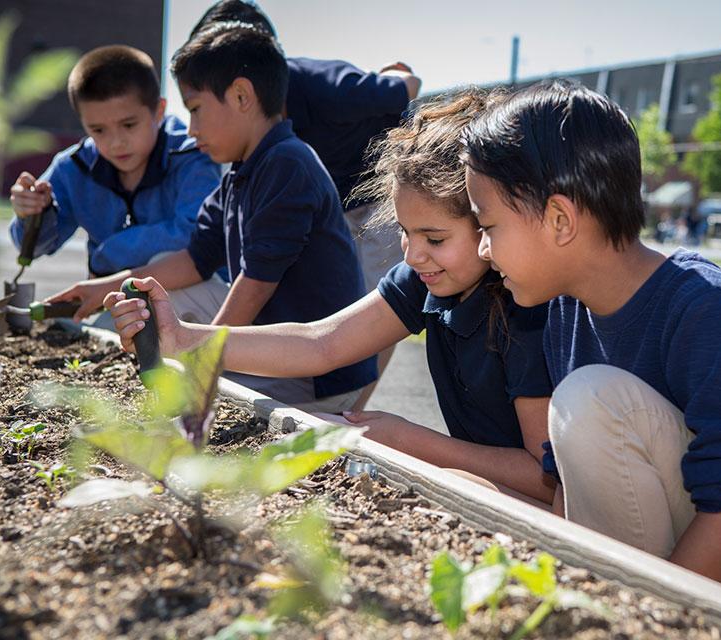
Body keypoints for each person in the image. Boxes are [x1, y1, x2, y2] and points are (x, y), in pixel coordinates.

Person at [460, 80, 721, 615]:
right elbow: (572, 484)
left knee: (589, 399)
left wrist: (647, 623)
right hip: (695, 533)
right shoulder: (564, 310)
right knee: (553, 433)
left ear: (560, 219)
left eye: (488, 226)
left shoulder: (705, 308)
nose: (483, 248)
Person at [105, 88, 557, 506]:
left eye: (435, 238)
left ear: (489, 219)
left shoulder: (526, 311)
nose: (413, 254)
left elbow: (543, 477)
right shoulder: (425, 278)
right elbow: (322, 343)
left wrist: (408, 440)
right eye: (404, 232)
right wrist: (181, 337)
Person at [59, 24, 376, 413]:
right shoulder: (239, 174)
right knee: (159, 276)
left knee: (194, 396)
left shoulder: (287, 163)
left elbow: (255, 285)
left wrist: (204, 365)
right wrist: (104, 287)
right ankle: (124, 348)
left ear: (242, 96)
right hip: (275, 341)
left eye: (195, 110)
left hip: (316, 374)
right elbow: (194, 260)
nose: (191, 131)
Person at [190, 0, 422, 408]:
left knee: (372, 314)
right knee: (324, 305)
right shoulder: (255, 151)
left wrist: (397, 74)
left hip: (375, 198)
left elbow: (407, 85)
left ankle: (346, 411)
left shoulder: (322, 85)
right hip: (323, 199)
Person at [8, 45, 223, 324]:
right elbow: (32, 249)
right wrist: (31, 212)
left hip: (204, 302)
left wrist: (108, 255)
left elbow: (195, 238)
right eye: (98, 130)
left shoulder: (193, 155)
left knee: (161, 268)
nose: (115, 142)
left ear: (158, 111)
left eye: (129, 125)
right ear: (83, 124)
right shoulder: (73, 167)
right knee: (104, 332)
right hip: (119, 301)